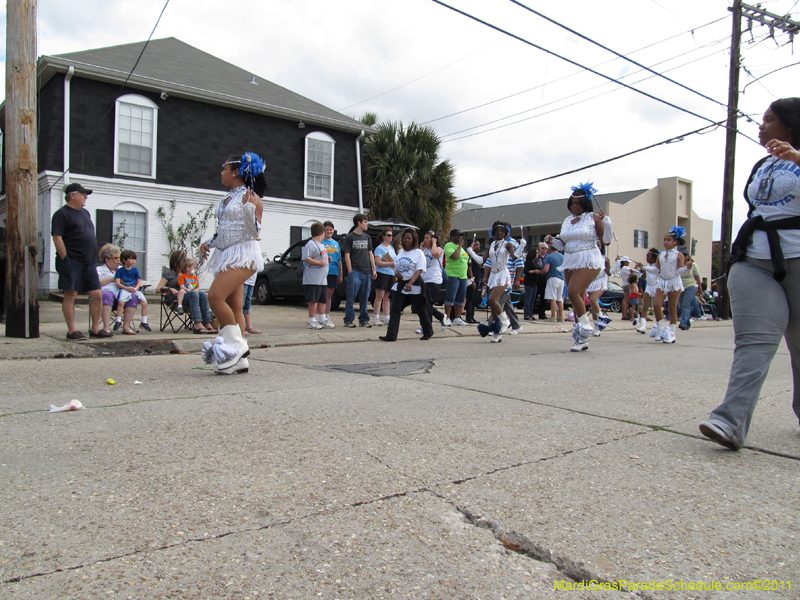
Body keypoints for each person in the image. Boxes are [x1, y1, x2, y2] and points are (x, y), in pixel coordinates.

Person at [700, 98, 800, 449]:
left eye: (769, 119)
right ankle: (729, 422)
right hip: (754, 259)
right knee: (753, 342)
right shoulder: (763, 164)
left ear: (791, 123)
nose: (762, 126)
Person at [199, 152, 266, 374]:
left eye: (224, 168)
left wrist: (250, 208)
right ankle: (240, 362)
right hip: (227, 253)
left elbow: (255, 232)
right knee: (235, 306)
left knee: (214, 297)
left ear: (236, 171)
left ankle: (236, 347)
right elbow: (225, 230)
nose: (221, 172)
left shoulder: (252, 197)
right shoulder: (227, 198)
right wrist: (210, 242)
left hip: (244, 254)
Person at [545, 182, 606, 351]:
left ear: (585, 203)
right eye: (572, 203)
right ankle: (581, 339)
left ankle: (586, 327)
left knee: (572, 291)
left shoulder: (593, 217)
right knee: (575, 296)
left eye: (577, 203)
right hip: (570, 259)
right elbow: (563, 244)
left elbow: (606, 239)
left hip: (588, 259)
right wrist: (552, 241)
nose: (574, 205)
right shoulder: (567, 220)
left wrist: (606, 222)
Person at [51, 182, 104, 340]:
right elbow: (57, 237)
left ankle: (95, 329)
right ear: (72, 195)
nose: (85, 197)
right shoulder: (62, 214)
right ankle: (72, 330)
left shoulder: (85, 213)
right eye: (83, 194)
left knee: (97, 294)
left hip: (89, 261)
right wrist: (65, 258)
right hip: (72, 260)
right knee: (71, 294)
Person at [379, 228, 433, 342]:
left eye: (409, 238)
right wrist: (396, 274)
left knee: (420, 309)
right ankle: (391, 335)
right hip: (401, 285)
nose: (407, 240)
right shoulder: (401, 252)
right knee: (395, 309)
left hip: (414, 285)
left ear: (414, 239)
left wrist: (410, 283)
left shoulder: (418, 253)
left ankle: (428, 331)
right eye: (405, 238)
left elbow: (419, 270)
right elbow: (396, 266)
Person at [156, 250, 216, 334]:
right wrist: (170, 289)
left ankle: (208, 323)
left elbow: (194, 285)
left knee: (202, 293)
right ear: (177, 260)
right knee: (194, 294)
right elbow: (158, 289)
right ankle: (198, 324)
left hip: (189, 297)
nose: (186, 260)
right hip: (175, 300)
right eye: (183, 258)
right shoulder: (169, 274)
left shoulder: (186, 274)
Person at [480, 222, 517, 343]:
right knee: (493, 308)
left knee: (492, 299)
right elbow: (482, 260)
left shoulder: (508, 244)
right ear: (494, 233)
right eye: (497, 231)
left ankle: (505, 320)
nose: (499, 233)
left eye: (502, 231)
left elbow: (515, 256)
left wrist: (521, 246)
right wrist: (470, 250)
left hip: (503, 274)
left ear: (505, 233)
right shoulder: (491, 245)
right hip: (493, 276)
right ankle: (497, 333)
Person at [650, 226, 686, 344]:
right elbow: (656, 270)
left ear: (675, 241)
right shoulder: (660, 255)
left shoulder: (679, 255)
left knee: (672, 307)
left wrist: (687, 268)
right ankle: (660, 329)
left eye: (668, 240)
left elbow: (680, 270)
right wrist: (644, 269)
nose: (665, 242)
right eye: (664, 239)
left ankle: (671, 332)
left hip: (674, 282)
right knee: (656, 305)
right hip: (662, 282)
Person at [342, 214, 376, 328]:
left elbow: (370, 253)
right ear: (359, 223)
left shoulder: (367, 237)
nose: (367, 224)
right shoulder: (350, 237)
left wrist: (374, 269)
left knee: (365, 296)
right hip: (355, 271)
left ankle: (364, 320)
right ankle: (348, 320)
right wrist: (350, 271)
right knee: (351, 296)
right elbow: (347, 255)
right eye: (365, 222)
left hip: (367, 271)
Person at [95, 244, 132, 338]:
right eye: (116, 258)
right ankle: (106, 328)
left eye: (120, 258)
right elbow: (96, 284)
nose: (119, 260)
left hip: (121, 296)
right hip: (105, 296)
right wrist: (113, 278)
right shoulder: (99, 270)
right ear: (107, 259)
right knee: (107, 295)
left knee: (133, 297)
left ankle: (126, 327)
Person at [417, 231, 447, 333]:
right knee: (423, 304)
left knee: (427, 303)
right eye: (424, 238)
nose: (425, 240)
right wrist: (421, 249)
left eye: (427, 238)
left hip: (434, 280)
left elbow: (435, 254)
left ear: (433, 239)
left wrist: (434, 243)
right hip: (424, 279)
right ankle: (442, 317)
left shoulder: (439, 249)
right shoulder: (424, 250)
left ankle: (426, 326)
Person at [113, 249, 149, 334]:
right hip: (125, 289)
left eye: (134, 259)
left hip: (134, 288)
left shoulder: (135, 270)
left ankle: (144, 322)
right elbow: (117, 282)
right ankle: (118, 321)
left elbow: (139, 281)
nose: (134, 261)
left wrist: (136, 288)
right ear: (124, 260)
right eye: (131, 259)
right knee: (121, 303)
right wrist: (126, 288)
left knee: (144, 303)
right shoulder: (120, 271)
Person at [302, 222, 329, 330]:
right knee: (314, 300)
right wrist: (319, 263)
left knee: (322, 299)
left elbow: (320, 257)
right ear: (321, 233)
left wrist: (328, 259)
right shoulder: (311, 244)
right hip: (313, 278)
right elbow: (306, 258)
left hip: (322, 278)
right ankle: (311, 320)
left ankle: (322, 319)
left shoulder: (321, 245)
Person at [441, 229, 470, 328]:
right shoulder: (449, 246)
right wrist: (460, 246)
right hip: (452, 274)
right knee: (450, 298)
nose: (460, 238)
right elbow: (454, 256)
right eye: (457, 236)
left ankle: (457, 318)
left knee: (460, 298)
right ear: (452, 236)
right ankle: (447, 319)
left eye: (461, 236)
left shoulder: (461, 249)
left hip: (463, 276)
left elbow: (466, 260)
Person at [372, 227, 397, 326]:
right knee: (379, 296)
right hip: (382, 273)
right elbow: (377, 262)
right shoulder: (379, 248)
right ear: (383, 236)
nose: (391, 237)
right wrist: (391, 263)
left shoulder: (392, 248)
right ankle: (376, 317)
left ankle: (387, 317)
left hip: (391, 274)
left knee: (387, 297)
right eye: (388, 235)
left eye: (391, 235)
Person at [321, 221, 342, 329]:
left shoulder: (336, 243)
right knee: (321, 295)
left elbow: (339, 260)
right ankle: (319, 317)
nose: (329, 231)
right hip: (323, 271)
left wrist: (340, 274)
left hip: (334, 271)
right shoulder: (320, 242)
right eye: (327, 229)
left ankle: (327, 316)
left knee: (329, 296)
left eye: (330, 229)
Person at [587, 242, 610, 336]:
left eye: (598, 245)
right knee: (593, 306)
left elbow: (609, 273)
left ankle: (602, 318)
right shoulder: (589, 258)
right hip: (592, 282)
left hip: (601, 281)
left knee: (593, 300)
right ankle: (597, 328)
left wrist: (615, 265)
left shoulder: (605, 259)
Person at [635, 248, 660, 334]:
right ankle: (643, 326)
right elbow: (643, 276)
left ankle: (659, 325)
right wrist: (638, 269)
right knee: (645, 306)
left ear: (654, 257)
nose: (646, 258)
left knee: (657, 307)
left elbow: (655, 271)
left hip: (657, 286)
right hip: (649, 287)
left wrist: (644, 267)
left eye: (648, 256)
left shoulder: (658, 266)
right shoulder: (647, 266)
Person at [678, 253, 702, 330]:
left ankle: (683, 322)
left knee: (686, 304)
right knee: (682, 305)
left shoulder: (693, 265)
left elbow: (697, 277)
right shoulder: (678, 265)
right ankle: (687, 323)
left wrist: (700, 288)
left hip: (691, 286)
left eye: (684, 256)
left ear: (688, 257)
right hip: (681, 287)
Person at [524, 243, 547, 320]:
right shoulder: (529, 261)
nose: (538, 254)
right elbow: (526, 271)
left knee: (533, 299)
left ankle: (531, 314)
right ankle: (527, 314)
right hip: (529, 282)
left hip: (535, 282)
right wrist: (534, 271)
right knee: (529, 298)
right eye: (537, 252)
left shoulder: (535, 261)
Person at [542, 245, 565, 322]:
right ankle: (560, 316)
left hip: (552, 278)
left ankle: (553, 316)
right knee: (560, 299)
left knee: (553, 298)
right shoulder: (562, 256)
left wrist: (540, 272)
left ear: (550, 249)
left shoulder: (549, 257)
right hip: (561, 279)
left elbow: (546, 270)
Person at [464, 240, 484, 323]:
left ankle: (472, 316)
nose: (478, 247)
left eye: (479, 245)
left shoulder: (477, 257)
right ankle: (469, 317)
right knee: (470, 299)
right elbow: (469, 269)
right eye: (476, 245)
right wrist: (472, 280)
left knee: (474, 299)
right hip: (472, 280)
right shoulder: (469, 256)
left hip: (477, 279)